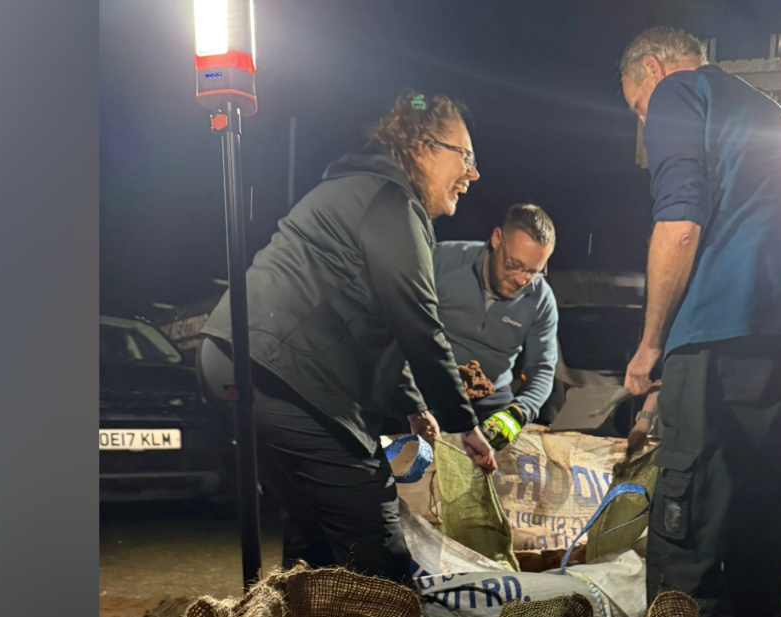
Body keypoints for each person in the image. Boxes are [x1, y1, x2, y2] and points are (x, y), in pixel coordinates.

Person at [617, 27, 781, 617]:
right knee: (759, 531)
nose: (646, 123)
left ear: (652, 70)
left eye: (638, 108)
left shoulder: (683, 92)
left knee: (686, 539)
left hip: (722, 337)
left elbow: (679, 224)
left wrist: (650, 346)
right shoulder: (766, 113)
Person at [198, 91, 498, 584]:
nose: (474, 173)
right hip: (283, 374)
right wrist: (464, 423)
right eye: (465, 156)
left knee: (312, 526)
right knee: (370, 524)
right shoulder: (391, 203)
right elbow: (417, 323)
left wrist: (414, 406)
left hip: (231, 357)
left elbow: (381, 321)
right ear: (423, 148)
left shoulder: (359, 191)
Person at [411, 204, 560, 429]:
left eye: (533, 271)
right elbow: (398, 326)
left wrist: (518, 414)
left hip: (491, 403)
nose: (522, 280)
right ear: (497, 239)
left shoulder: (541, 300)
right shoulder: (439, 261)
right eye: (515, 264)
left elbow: (542, 368)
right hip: (426, 389)